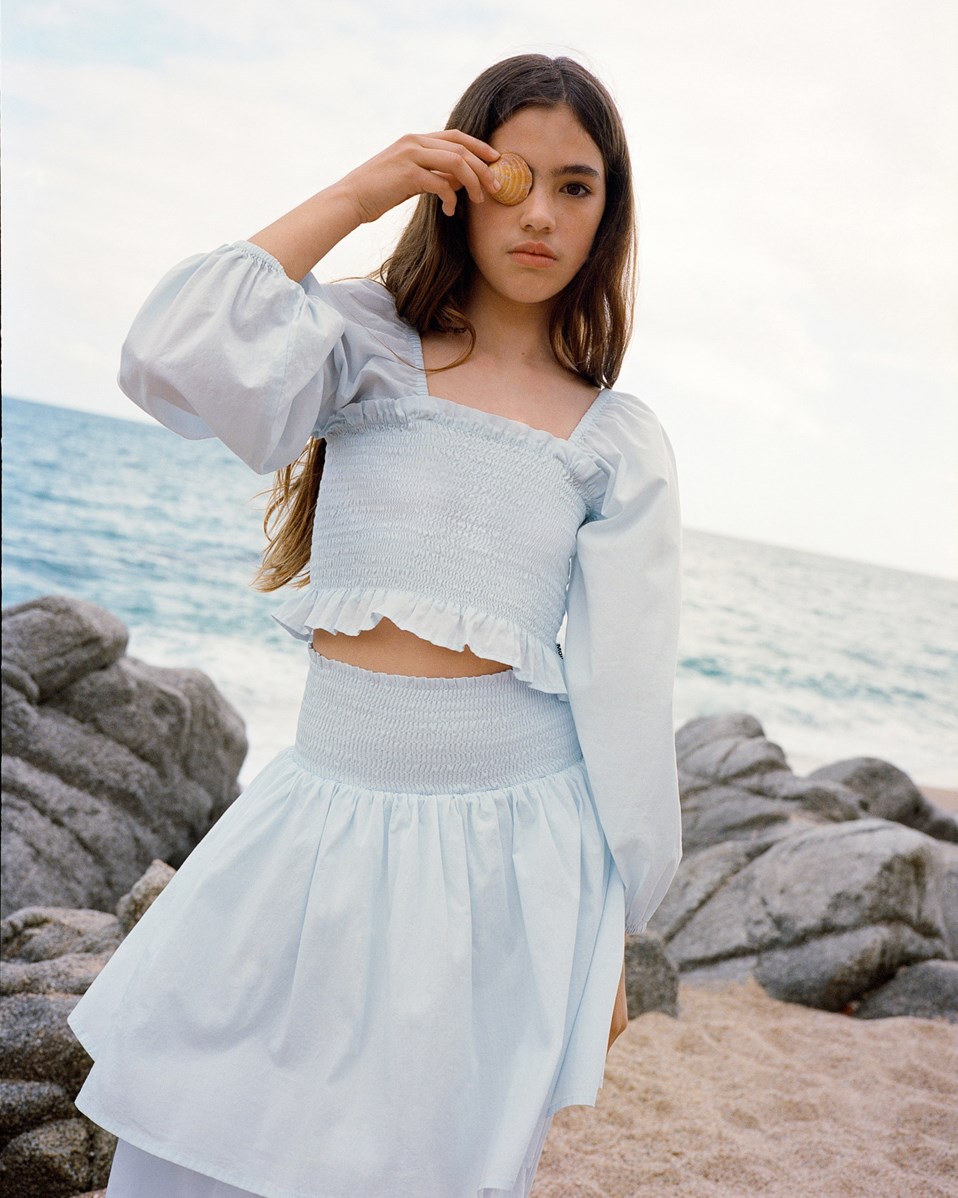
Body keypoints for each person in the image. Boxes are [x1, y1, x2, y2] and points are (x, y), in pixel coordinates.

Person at [67, 52, 683, 1198]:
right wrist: (368, 186)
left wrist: (612, 931)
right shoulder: (360, 346)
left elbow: (626, 693)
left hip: (509, 852)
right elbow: (167, 355)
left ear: (610, 214)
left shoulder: (615, 439)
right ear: (460, 180)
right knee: (188, 1141)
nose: (542, 213)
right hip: (324, 814)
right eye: (513, 176)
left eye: (578, 187)